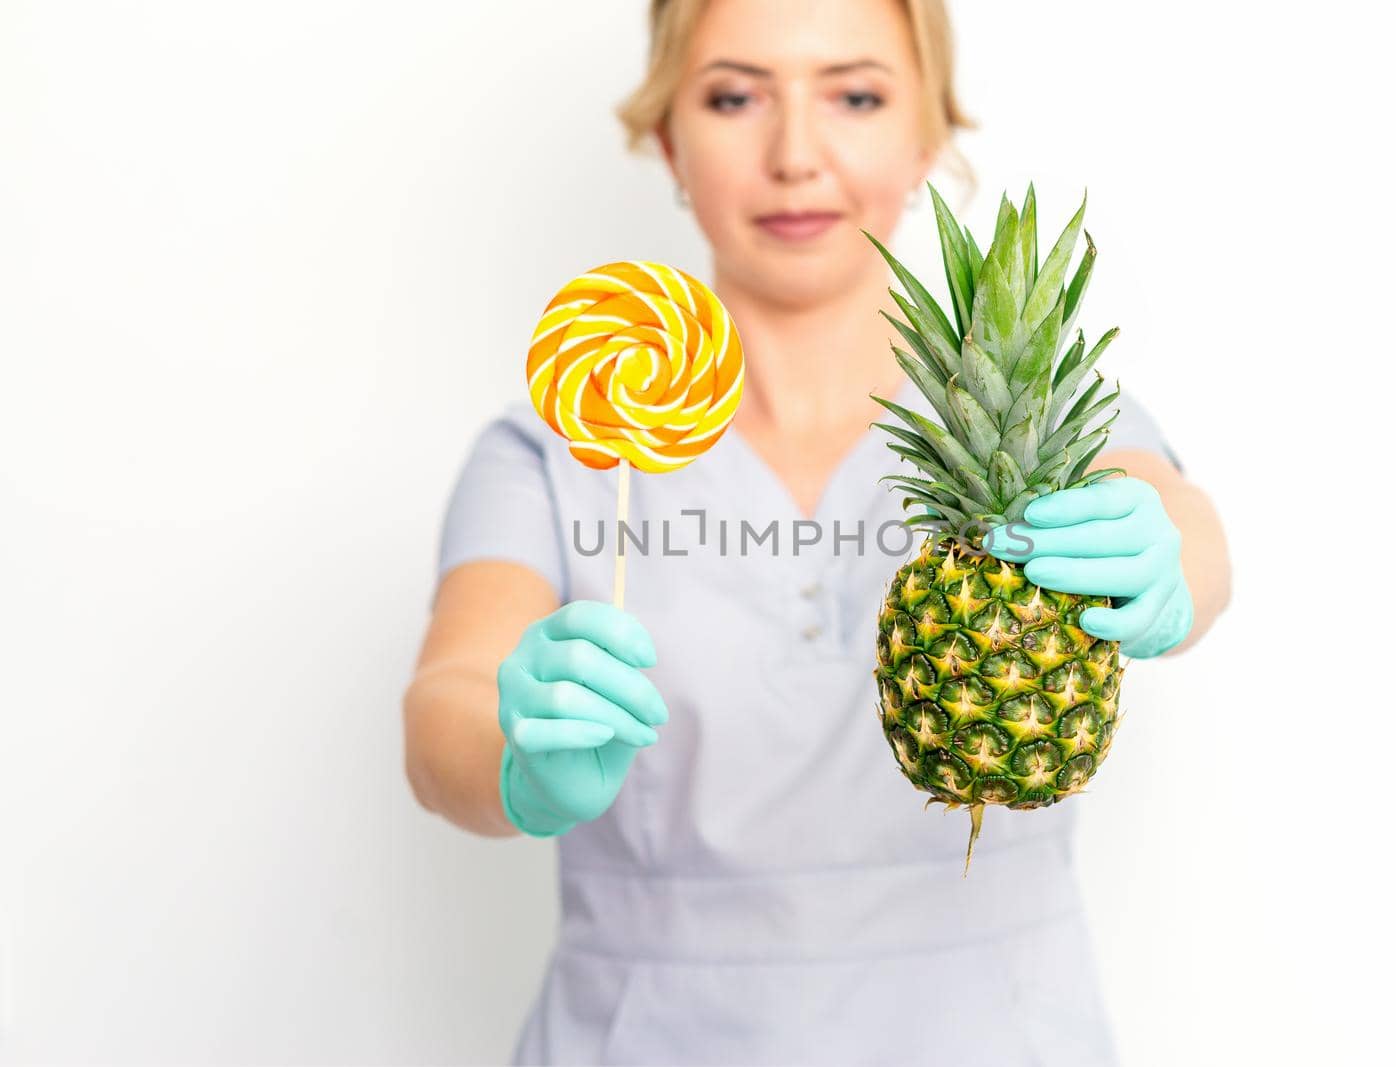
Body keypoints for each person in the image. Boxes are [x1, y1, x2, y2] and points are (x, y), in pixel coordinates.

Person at [403, 0, 1232, 1062]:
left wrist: (1165, 562)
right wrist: (517, 754)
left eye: (854, 94)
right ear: (668, 138)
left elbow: (1183, 524)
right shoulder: (559, 443)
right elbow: (445, 707)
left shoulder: (1037, 423)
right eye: (735, 95)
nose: (795, 155)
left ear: (927, 131)